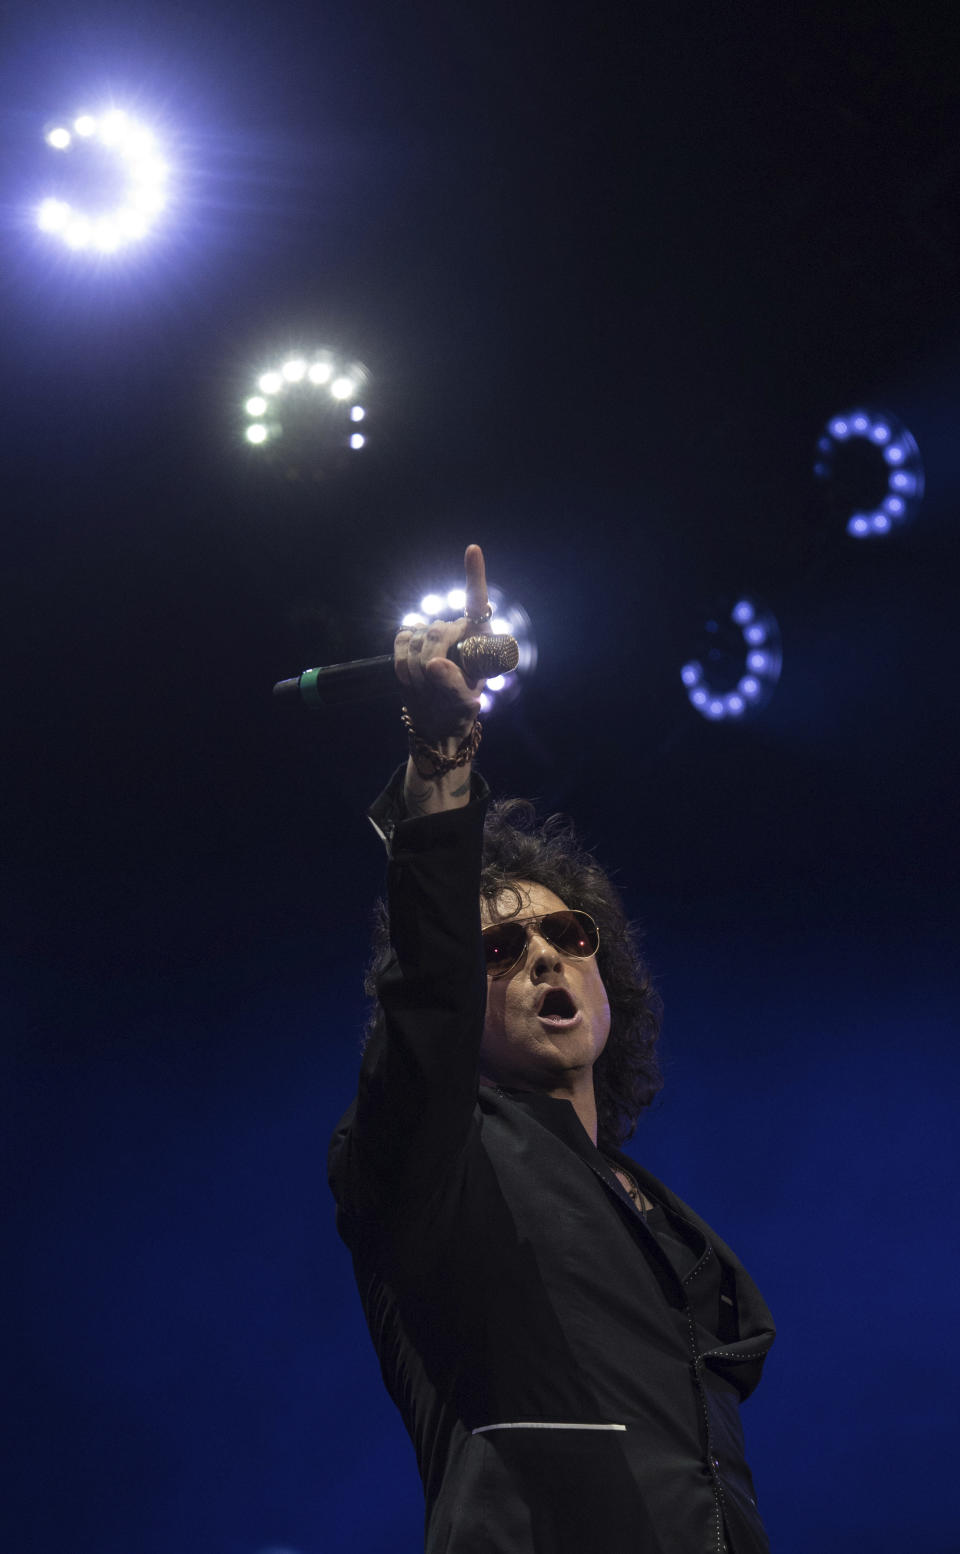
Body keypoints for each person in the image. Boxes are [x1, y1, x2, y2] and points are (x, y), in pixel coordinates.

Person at [328, 545, 776, 1554]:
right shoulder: (434, 1158)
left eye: (569, 936)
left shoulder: (646, 1205)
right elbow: (424, 1002)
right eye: (502, 946)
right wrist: (443, 761)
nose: (544, 958)